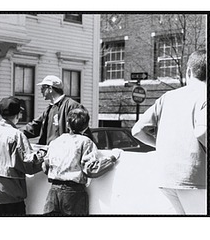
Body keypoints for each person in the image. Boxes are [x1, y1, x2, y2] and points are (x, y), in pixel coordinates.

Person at [131, 50, 207, 215]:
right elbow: (203, 131)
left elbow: (137, 130)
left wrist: (160, 146)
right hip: (196, 179)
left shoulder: (168, 97)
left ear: (189, 72)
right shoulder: (204, 94)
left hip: (166, 177)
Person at [42, 108, 122, 216]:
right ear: (86, 127)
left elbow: (45, 166)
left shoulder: (56, 141)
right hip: (73, 193)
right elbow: (91, 169)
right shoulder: (86, 142)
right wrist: (112, 158)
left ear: (67, 124)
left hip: (53, 191)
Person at [0, 97, 46, 216]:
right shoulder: (16, 135)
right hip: (10, 193)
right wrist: (44, 153)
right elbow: (29, 164)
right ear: (19, 115)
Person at [22, 75, 93, 145]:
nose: (41, 91)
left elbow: (83, 133)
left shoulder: (72, 106)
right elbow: (34, 127)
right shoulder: (49, 109)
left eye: (43, 88)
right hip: (51, 153)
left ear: (50, 88)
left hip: (66, 153)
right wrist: (15, 132)